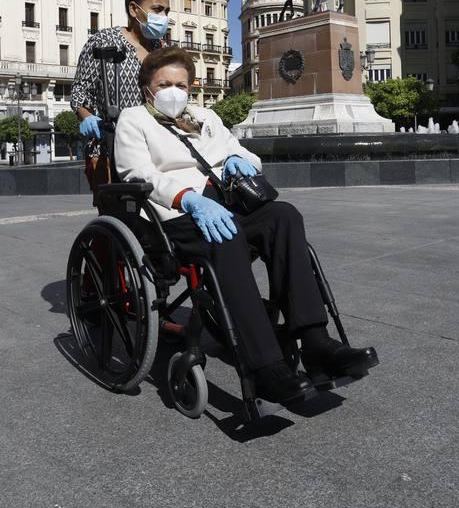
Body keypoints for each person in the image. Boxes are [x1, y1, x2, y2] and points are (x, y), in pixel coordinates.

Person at [113, 46, 376, 405]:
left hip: (228, 205)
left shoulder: (204, 115)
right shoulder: (133, 119)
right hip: (176, 215)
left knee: (284, 216)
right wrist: (187, 198)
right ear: (148, 87)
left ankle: (316, 343)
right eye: (164, 83)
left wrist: (238, 158)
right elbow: (137, 172)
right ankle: (265, 367)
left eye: (181, 83)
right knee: (229, 237)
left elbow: (244, 151)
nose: (174, 90)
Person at [71, 0, 171, 138]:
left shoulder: (162, 49)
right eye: (157, 9)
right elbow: (80, 91)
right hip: (109, 143)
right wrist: (86, 117)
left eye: (166, 11)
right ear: (134, 9)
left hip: (153, 143)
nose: (164, 17)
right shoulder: (103, 41)